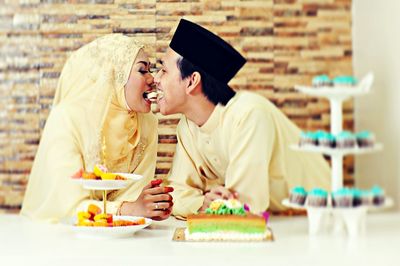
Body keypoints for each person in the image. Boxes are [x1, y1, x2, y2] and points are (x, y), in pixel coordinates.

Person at [153, 19, 331, 218]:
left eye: (164, 70)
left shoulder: (248, 114)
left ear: (192, 81)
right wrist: (202, 203)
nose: (155, 78)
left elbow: (242, 207)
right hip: (275, 223)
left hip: (323, 218)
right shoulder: (188, 126)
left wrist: (214, 203)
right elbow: (173, 195)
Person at [21, 34, 173, 223]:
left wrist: (151, 204)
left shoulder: (147, 123)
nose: (152, 79)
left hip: (123, 238)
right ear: (112, 76)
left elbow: (136, 203)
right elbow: (67, 208)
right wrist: (130, 209)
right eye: (142, 70)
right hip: (59, 236)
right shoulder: (67, 118)